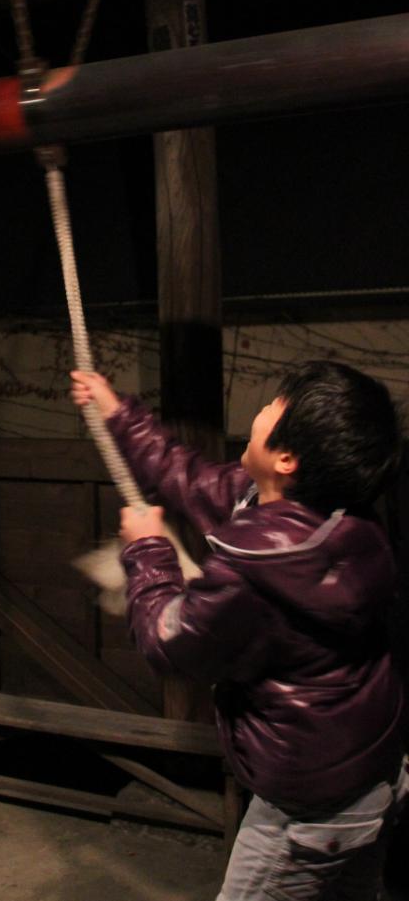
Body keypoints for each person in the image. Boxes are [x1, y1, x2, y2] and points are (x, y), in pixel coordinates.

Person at [71, 359, 407, 901]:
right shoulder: (334, 517)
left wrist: (147, 550)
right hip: (372, 776)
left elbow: (169, 643)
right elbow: (185, 475)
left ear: (286, 459)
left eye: (278, 405)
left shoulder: (257, 570)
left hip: (306, 811)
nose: (266, 405)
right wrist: (114, 410)